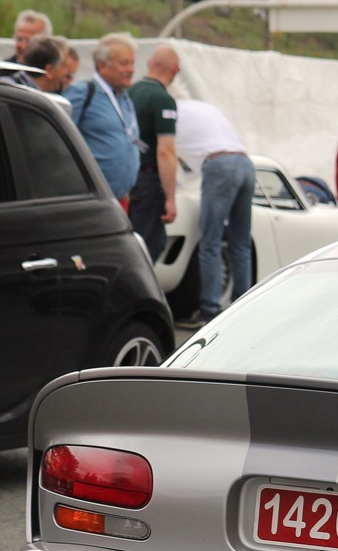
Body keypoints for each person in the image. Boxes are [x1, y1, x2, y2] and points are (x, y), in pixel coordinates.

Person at [171, 98, 257, 331]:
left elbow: (166, 153)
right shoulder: (203, 108)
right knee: (241, 242)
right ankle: (243, 306)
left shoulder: (169, 112)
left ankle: (209, 310)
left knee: (210, 241)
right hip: (246, 163)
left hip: (219, 165)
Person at [63, 33, 142, 204]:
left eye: (132, 63)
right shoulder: (83, 93)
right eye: (124, 63)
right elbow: (59, 141)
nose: (131, 69)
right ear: (102, 66)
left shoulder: (125, 98)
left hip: (120, 198)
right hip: (90, 199)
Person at [127, 45, 181, 262]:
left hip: (127, 176)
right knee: (148, 247)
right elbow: (166, 151)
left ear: (149, 64)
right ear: (175, 70)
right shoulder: (163, 100)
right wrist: (170, 197)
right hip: (148, 181)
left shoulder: (129, 91)